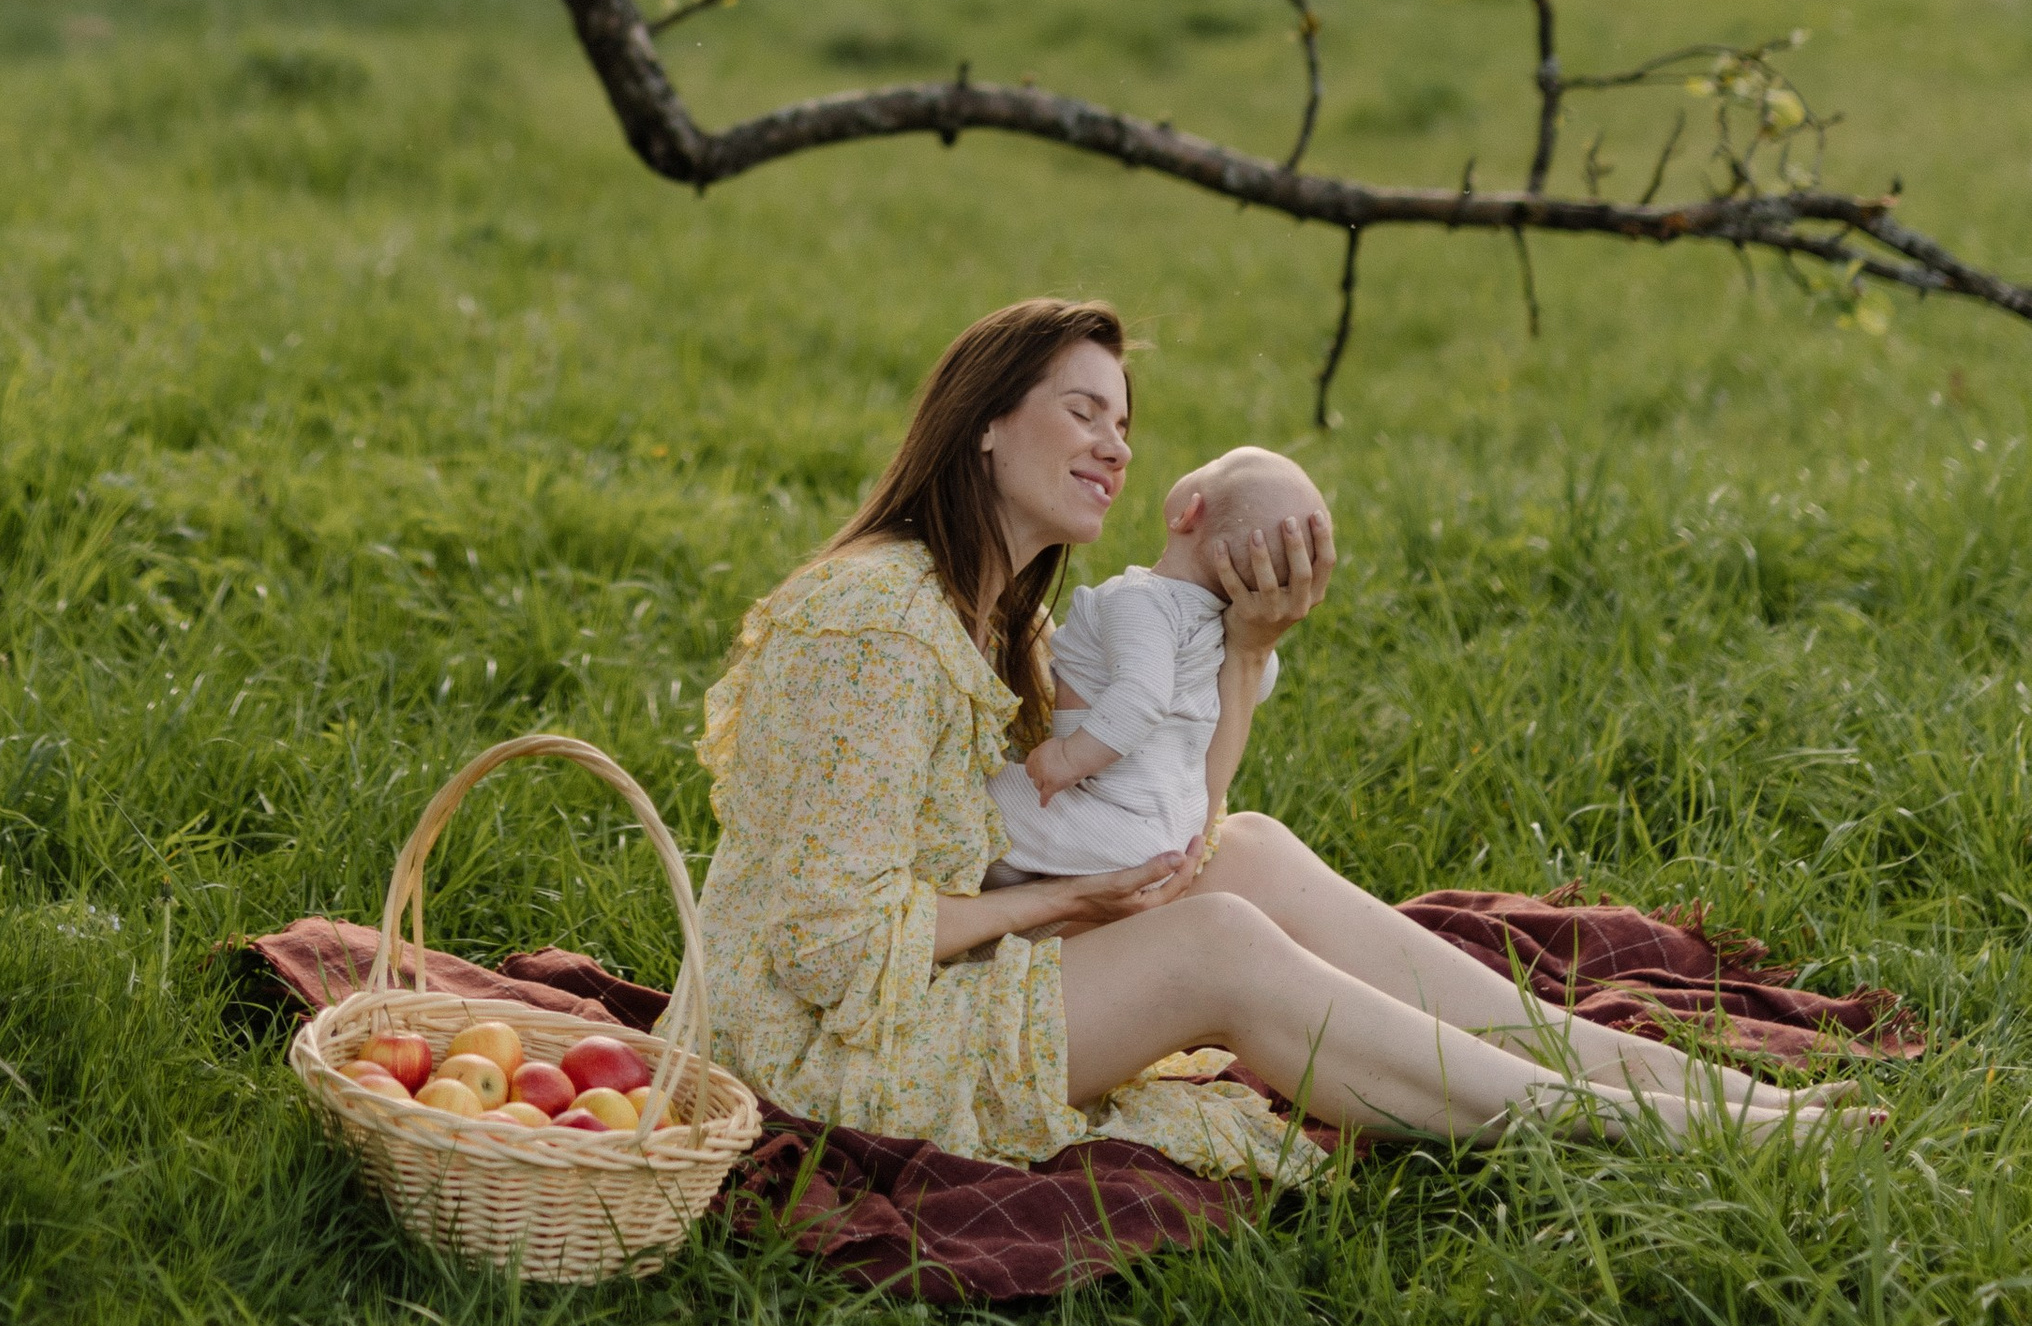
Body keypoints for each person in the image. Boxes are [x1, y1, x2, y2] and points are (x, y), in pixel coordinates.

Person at [695, 296, 1844, 1160]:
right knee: (1219, 943)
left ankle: (1695, 1089)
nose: (1115, 444)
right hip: (825, 1050)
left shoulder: (996, 614)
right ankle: (1664, 1135)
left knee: (1246, 858)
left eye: (1125, 422)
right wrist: (1058, 905)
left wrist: (1245, 654)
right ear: (983, 429)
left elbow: (1182, 828)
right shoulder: (876, 630)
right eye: (1080, 410)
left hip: (902, 986)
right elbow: (824, 950)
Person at [986, 445, 1325, 888]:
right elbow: (1256, 686)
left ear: (1189, 512)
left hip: (1117, 819)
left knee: (984, 802)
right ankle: (1021, 892)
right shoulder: (1227, 631)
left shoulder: (1141, 601)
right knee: (1017, 845)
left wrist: (1070, 758)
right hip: (1176, 831)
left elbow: (1141, 697)